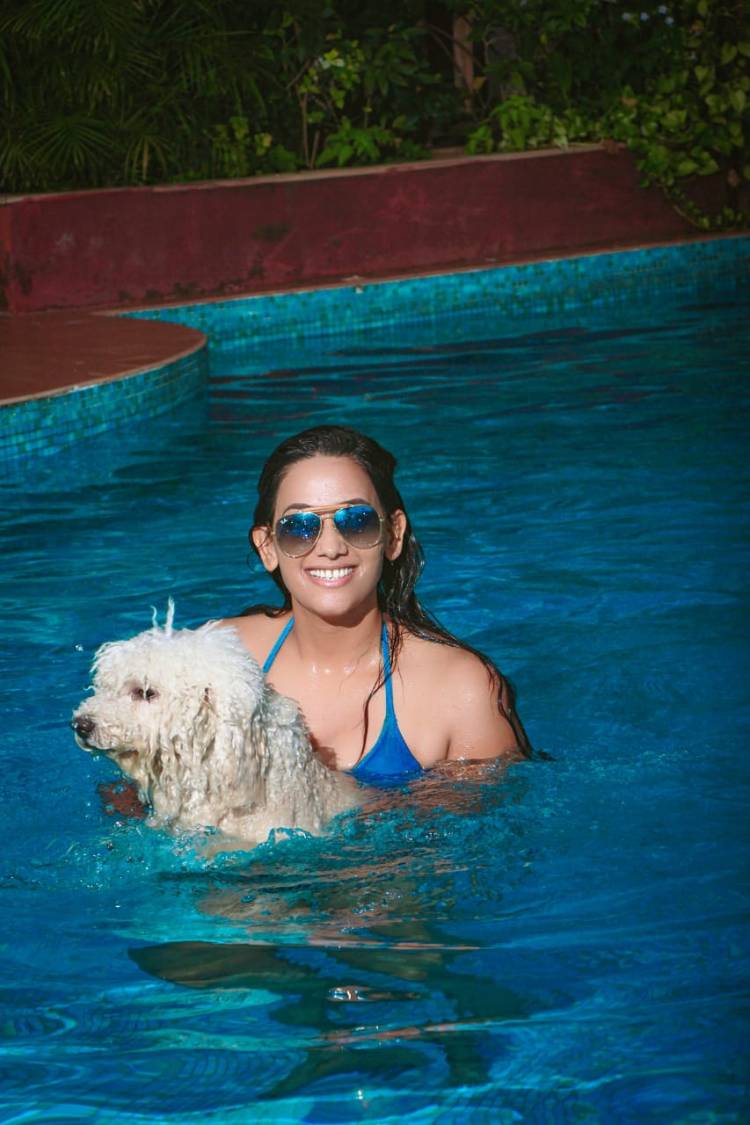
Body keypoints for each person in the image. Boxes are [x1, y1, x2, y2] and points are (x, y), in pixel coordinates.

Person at [222, 424, 531, 782]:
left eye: (357, 521)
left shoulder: (461, 691)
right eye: (300, 527)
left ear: (393, 535)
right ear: (268, 547)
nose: (331, 547)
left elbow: (499, 830)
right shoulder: (221, 659)